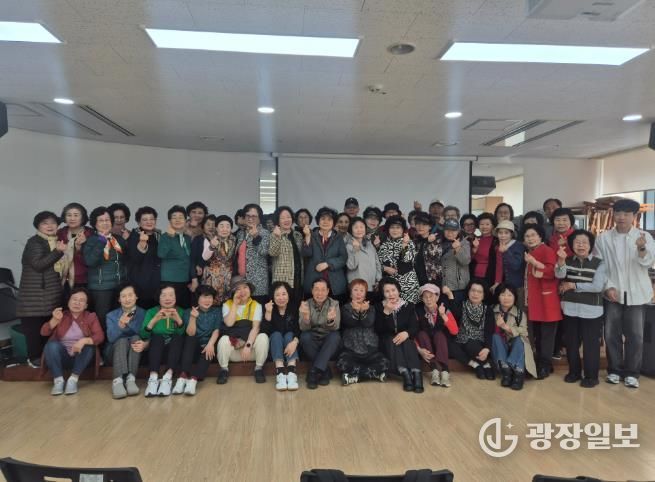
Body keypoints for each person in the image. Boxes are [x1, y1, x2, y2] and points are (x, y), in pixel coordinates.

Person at [595, 198, 655, 389]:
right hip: (613, 292)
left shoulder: (644, 236)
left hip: (637, 293)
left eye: (627, 214)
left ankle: (632, 372)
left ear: (634, 216)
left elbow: (648, 263)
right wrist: (608, 286)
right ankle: (614, 370)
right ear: (614, 215)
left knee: (635, 335)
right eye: (618, 213)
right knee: (611, 333)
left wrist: (641, 248)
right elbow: (599, 265)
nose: (622, 217)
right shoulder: (603, 238)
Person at [555, 230, 607, 388]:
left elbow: (597, 287)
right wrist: (561, 261)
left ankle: (591, 376)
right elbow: (559, 275)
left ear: (591, 245)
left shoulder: (599, 263)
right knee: (571, 343)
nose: (581, 245)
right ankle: (574, 372)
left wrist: (574, 285)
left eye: (585, 242)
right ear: (572, 245)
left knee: (591, 345)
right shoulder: (567, 260)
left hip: (592, 311)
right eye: (577, 242)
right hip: (570, 309)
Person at [16, 211, 66, 368]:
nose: (49, 226)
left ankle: (47, 359)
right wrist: (58, 252)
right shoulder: (35, 242)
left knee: (47, 329)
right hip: (34, 297)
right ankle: (34, 359)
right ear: (38, 226)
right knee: (34, 331)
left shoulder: (55, 241)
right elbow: (38, 264)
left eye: (53, 223)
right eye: (45, 223)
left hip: (49, 295)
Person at [41, 288, 104, 395]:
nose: (77, 303)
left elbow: (100, 336)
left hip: (82, 357)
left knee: (89, 346)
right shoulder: (61, 315)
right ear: (68, 302)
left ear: (86, 305)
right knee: (51, 345)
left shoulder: (90, 317)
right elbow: (44, 332)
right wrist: (54, 320)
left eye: (81, 300)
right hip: (63, 358)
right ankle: (58, 381)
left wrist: (83, 341)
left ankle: (73, 380)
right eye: (74, 299)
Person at [522, 224, 562, 379]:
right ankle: (542, 364)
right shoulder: (531, 251)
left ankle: (545, 365)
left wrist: (534, 262)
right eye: (527, 236)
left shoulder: (546, 250)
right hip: (535, 300)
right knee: (538, 335)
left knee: (547, 336)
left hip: (547, 300)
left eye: (533, 235)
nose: (530, 238)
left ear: (540, 236)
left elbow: (553, 272)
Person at [216, 276, 269, 384]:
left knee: (263, 337)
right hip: (234, 352)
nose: (242, 291)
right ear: (233, 292)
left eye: (245, 287)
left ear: (249, 289)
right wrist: (235, 304)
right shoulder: (227, 305)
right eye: (238, 289)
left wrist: (248, 345)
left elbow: (255, 328)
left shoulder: (256, 305)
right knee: (223, 340)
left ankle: (258, 368)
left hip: (250, 352)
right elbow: (229, 323)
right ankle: (224, 370)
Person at [83, 206, 128, 332]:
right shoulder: (91, 240)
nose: (105, 223)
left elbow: (126, 260)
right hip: (101, 287)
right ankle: (102, 344)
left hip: (119, 285)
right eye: (101, 220)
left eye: (107, 220)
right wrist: (101, 241)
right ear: (94, 224)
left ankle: (115, 343)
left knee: (118, 319)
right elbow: (90, 261)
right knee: (102, 320)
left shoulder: (118, 239)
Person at [375, 277, 423, 393]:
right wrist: (386, 312)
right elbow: (378, 330)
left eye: (393, 290)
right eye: (387, 291)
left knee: (407, 342)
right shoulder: (379, 307)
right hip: (387, 340)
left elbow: (414, 326)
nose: (391, 294)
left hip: (405, 339)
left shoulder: (408, 306)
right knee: (393, 340)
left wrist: (407, 333)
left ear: (398, 291)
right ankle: (405, 374)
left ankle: (416, 374)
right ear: (383, 293)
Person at [337, 279, 389, 385]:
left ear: (365, 294)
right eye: (355, 290)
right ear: (350, 294)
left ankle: (355, 377)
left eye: (362, 290)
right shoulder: (345, 308)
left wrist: (363, 311)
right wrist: (357, 312)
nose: (358, 293)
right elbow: (350, 322)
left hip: (370, 350)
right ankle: (373, 374)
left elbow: (367, 323)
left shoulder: (372, 308)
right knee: (341, 364)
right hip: (351, 350)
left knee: (386, 363)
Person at [173, 285, 222, 396]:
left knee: (210, 349)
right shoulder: (188, 312)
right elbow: (190, 333)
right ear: (197, 298)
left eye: (210, 297)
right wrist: (193, 317)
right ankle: (182, 377)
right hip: (193, 347)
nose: (207, 300)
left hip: (208, 344)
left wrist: (210, 344)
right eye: (204, 297)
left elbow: (216, 330)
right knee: (190, 339)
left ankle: (193, 380)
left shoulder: (217, 311)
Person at [442, 282, 496, 380]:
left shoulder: (488, 310)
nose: (475, 294)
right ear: (468, 292)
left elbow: (489, 331)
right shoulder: (462, 305)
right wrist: (450, 294)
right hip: (460, 339)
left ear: (484, 295)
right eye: (473, 290)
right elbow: (454, 311)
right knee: (449, 345)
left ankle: (485, 364)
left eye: (479, 292)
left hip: (478, 341)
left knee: (470, 344)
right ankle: (477, 365)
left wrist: (487, 348)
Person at [140, 285, 186, 397]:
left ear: (175, 298)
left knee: (177, 337)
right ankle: (153, 378)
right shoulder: (151, 311)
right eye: (164, 295)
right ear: (158, 298)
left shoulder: (181, 311)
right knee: (157, 337)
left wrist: (178, 320)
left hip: (174, 351)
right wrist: (154, 320)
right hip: (156, 350)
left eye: (171, 295)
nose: (167, 298)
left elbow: (183, 334)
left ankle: (167, 378)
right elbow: (143, 335)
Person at [491, 284, 536, 390]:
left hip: (516, 347)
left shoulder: (520, 314)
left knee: (520, 339)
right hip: (501, 347)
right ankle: (506, 371)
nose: (506, 298)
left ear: (515, 297)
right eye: (503, 295)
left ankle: (518, 373)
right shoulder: (492, 311)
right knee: (495, 337)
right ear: (498, 297)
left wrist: (506, 327)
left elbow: (524, 332)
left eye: (509, 295)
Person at [105, 285, 146, 399]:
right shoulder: (111, 315)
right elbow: (110, 338)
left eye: (130, 295)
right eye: (123, 296)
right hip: (114, 352)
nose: (127, 299)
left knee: (136, 338)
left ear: (136, 296)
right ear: (119, 299)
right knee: (122, 340)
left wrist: (129, 323)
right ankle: (117, 380)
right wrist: (120, 326)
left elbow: (144, 334)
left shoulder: (143, 313)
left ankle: (130, 379)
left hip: (135, 352)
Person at [299, 279, 341, 389]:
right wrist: (306, 317)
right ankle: (325, 370)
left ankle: (313, 372)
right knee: (305, 336)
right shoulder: (305, 304)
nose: (320, 293)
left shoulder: (334, 303)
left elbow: (336, 326)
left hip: (327, 341)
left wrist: (330, 320)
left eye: (323, 290)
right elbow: (302, 328)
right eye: (316, 289)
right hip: (312, 341)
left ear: (328, 291)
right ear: (312, 291)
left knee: (335, 336)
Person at [415, 284, 458, 388]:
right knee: (421, 334)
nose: (428, 299)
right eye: (425, 297)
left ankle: (445, 371)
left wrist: (443, 315)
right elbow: (413, 333)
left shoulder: (444, 309)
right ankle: (434, 370)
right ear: (422, 299)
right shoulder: (418, 311)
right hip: (426, 344)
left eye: (431, 296)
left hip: (442, 344)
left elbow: (455, 331)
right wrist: (419, 349)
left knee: (439, 334)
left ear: (437, 297)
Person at [302, 206, 348, 301]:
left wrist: (328, 264)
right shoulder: (311, 234)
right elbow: (306, 254)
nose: (326, 222)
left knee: (334, 308)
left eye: (329, 219)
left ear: (334, 222)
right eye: (323, 219)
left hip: (334, 283)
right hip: (313, 280)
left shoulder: (338, 238)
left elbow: (343, 258)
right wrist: (307, 236)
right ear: (318, 221)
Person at [262, 281, 300, 391]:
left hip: (291, 343)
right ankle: (280, 373)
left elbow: (298, 328)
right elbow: (264, 331)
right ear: (273, 297)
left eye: (284, 294)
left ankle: (292, 373)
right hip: (275, 345)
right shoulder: (269, 308)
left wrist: (295, 342)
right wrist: (268, 313)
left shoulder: (294, 307)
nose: (281, 298)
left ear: (288, 295)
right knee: (276, 335)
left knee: (289, 335)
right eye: (277, 295)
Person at [377, 215, 420, 304]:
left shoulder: (409, 242)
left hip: (408, 286)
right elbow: (377, 264)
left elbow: (407, 259)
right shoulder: (384, 245)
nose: (395, 230)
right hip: (391, 288)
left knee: (409, 310)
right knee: (393, 310)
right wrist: (385, 268)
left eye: (398, 227)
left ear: (403, 229)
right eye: (392, 227)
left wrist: (404, 245)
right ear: (388, 229)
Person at [235, 203, 271, 304]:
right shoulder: (240, 233)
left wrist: (256, 237)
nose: (250, 219)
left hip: (258, 283)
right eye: (248, 216)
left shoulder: (265, 233)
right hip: (242, 283)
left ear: (259, 218)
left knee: (257, 310)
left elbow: (264, 252)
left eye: (254, 216)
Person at [158, 205, 192, 309]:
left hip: (185, 280)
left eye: (181, 217)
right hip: (169, 280)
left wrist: (192, 278)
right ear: (170, 221)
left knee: (183, 309)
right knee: (169, 309)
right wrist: (170, 237)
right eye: (174, 217)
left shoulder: (187, 238)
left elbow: (189, 258)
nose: (177, 220)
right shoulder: (165, 236)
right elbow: (161, 254)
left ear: (185, 220)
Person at [127, 206, 161, 309]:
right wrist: (142, 243)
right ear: (138, 222)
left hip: (156, 282)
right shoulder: (134, 236)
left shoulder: (158, 235)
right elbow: (135, 258)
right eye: (145, 219)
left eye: (152, 219)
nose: (149, 222)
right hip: (140, 283)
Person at [57, 203, 93, 297]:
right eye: (69, 215)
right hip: (62, 279)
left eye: (76, 215)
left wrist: (80, 248)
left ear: (83, 217)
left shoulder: (91, 234)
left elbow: (91, 261)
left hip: (84, 280)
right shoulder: (60, 233)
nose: (72, 218)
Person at [269, 206, 304, 302]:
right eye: (282, 218)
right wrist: (277, 237)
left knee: (296, 305)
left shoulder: (298, 235)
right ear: (278, 220)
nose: (286, 220)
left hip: (298, 278)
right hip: (282, 280)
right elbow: (273, 253)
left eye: (288, 217)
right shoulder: (273, 235)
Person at [201, 215, 236, 306]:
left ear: (231, 229)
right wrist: (212, 246)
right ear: (216, 228)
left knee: (226, 303)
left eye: (228, 226)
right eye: (221, 226)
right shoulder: (209, 239)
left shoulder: (234, 240)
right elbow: (205, 257)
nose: (225, 229)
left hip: (227, 277)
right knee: (212, 301)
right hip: (212, 277)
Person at [345, 217, 382, 301]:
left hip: (372, 286)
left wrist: (378, 280)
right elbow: (351, 266)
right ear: (351, 230)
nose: (359, 230)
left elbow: (377, 263)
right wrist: (355, 250)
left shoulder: (369, 243)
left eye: (361, 227)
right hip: (357, 288)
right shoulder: (348, 246)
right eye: (356, 227)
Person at [439, 219, 471, 305]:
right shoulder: (439, 243)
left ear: (458, 231)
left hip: (459, 287)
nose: (450, 233)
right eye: (447, 230)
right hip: (444, 286)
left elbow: (466, 261)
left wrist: (458, 249)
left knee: (457, 310)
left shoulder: (464, 243)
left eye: (453, 230)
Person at [493, 220, 525, 296]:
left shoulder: (518, 245)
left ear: (511, 234)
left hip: (518, 285)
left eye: (506, 233)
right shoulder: (498, 246)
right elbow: (499, 266)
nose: (503, 235)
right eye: (500, 233)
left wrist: (506, 251)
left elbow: (516, 265)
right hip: (505, 286)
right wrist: (497, 282)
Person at [413, 212, 444, 287]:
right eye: (418, 224)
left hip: (432, 280)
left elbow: (435, 256)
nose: (420, 227)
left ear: (430, 227)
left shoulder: (436, 240)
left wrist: (429, 242)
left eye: (424, 224)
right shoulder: (415, 241)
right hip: (416, 280)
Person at [189, 215, 216, 295]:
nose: (211, 227)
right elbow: (192, 260)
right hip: (201, 276)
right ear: (203, 226)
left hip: (217, 277)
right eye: (208, 224)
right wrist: (194, 278)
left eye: (214, 224)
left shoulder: (220, 239)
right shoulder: (198, 239)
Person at [470, 212, 497, 287]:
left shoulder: (496, 241)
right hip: (474, 276)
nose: (484, 227)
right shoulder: (475, 239)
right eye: (481, 224)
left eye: (487, 224)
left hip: (490, 276)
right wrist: (474, 250)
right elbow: (469, 260)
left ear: (492, 226)